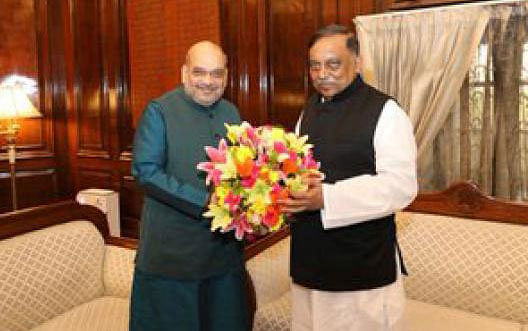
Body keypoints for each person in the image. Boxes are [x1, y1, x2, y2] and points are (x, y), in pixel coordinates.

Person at [279, 25, 418, 331]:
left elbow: (401, 187)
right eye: (315, 65)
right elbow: (301, 169)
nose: (322, 73)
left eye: (333, 63)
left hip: (360, 268)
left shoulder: (386, 111)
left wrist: (326, 197)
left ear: (357, 63)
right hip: (309, 261)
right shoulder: (309, 109)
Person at [130, 41, 248, 331]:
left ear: (226, 77)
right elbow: (145, 172)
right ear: (184, 73)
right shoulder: (159, 110)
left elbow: (243, 168)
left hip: (223, 256)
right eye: (199, 72)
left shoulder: (232, 113)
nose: (208, 82)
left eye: (217, 74)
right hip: (173, 257)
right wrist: (206, 202)